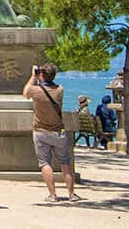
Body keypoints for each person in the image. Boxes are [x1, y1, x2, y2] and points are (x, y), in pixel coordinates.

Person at [24, 63, 81, 202]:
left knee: (45, 163)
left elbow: (26, 92)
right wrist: (41, 76)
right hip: (58, 131)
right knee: (65, 162)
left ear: (41, 75)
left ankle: (52, 194)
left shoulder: (36, 91)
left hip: (40, 130)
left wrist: (33, 76)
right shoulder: (60, 90)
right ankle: (71, 193)